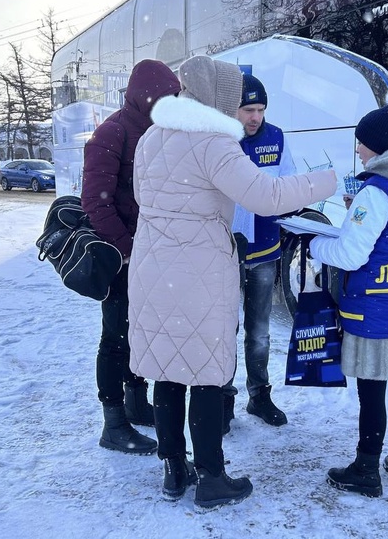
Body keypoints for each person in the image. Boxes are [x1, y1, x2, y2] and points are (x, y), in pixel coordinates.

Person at [127, 55, 337, 508]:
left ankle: (174, 471)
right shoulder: (214, 142)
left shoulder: (151, 138)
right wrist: (326, 180)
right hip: (198, 270)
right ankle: (212, 479)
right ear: (220, 98)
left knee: (167, 371)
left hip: (152, 268)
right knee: (204, 372)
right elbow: (267, 196)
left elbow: (143, 197)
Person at [308, 87, 388, 497]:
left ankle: (366, 470)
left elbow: (349, 254)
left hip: (374, 308)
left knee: (372, 391)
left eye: (362, 145)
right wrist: (358, 213)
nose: (359, 151)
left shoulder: (377, 192)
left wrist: (315, 244)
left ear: (381, 147)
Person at [81, 59, 181, 455]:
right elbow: (95, 203)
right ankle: (114, 422)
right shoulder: (112, 133)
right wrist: (127, 248)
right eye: (163, 99)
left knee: (142, 332)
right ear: (142, 98)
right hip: (123, 256)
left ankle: (137, 403)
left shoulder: (165, 131)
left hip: (152, 254)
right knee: (116, 337)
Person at [222, 74, 295, 433]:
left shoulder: (277, 138)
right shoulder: (219, 139)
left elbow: (287, 184)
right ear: (232, 109)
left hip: (265, 248)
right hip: (225, 251)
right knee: (223, 328)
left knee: (260, 331)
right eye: (248, 109)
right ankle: (221, 399)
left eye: (261, 109)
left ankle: (259, 396)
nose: (255, 117)